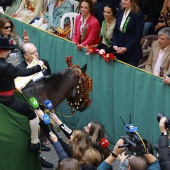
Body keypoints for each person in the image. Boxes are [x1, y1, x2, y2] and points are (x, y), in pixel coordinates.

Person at [0, 36, 44, 151]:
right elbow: (24, 72)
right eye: (7, 50)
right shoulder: (6, 66)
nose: (9, 52)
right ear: (2, 51)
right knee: (32, 113)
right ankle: (34, 142)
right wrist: (38, 66)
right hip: (7, 98)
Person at [112, 0, 144, 67]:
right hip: (118, 50)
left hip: (131, 52)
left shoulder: (138, 15)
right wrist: (115, 45)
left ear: (132, 1)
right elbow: (116, 30)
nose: (123, 1)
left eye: (126, 0)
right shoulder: (120, 11)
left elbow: (137, 36)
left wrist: (126, 48)